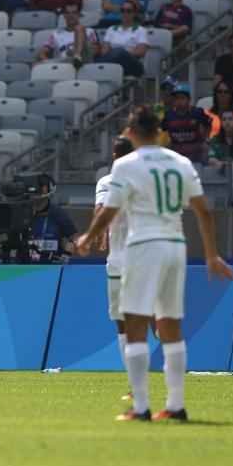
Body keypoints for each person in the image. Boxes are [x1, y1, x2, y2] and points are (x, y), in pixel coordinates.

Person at [75, 106, 233, 421]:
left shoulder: (125, 165)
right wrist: (212, 254)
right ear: (159, 132)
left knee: (134, 325)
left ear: (132, 132)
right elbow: (204, 211)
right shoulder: (181, 163)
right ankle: (176, 406)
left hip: (143, 245)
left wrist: (87, 236)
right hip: (175, 246)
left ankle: (141, 407)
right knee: (170, 325)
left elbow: (109, 211)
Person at [93, 136, 134, 377]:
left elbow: (100, 210)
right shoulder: (146, 181)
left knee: (123, 324)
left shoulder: (106, 181)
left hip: (119, 260)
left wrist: (95, 236)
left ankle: (134, 380)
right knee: (140, 318)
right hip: (143, 257)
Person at [161, 83, 210, 164]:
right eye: (176, 98)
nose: (179, 101)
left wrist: (206, 140)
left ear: (189, 99)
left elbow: (208, 124)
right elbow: (163, 131)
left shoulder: (197, 112)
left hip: (195, 149)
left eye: (182, 98)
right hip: (176, 150)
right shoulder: (168, 115)